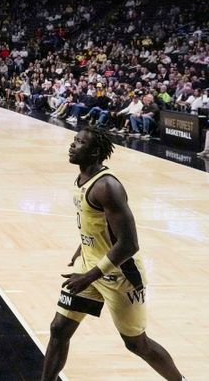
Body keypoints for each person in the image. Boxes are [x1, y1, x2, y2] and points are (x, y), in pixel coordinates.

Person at [40, 127, 186, 381]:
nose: (72, 145)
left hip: (120, 275)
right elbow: (97, 224)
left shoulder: (107, 186)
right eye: (74, 140)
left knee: (137, 344)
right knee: (59, 329)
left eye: (80, 142)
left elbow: (129, 244)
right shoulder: (82, 179)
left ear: (95, 152)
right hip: (90, 266)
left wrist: (87, 276)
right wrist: (82, 249)